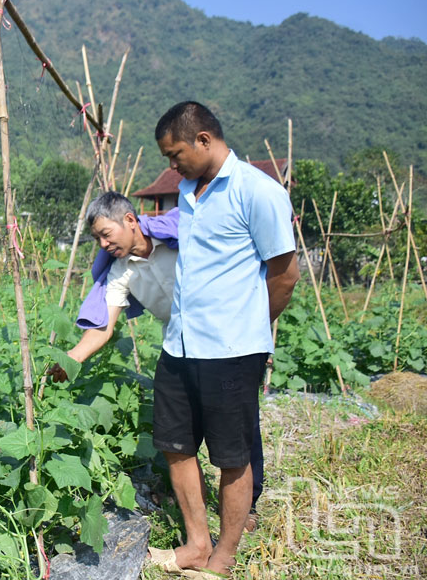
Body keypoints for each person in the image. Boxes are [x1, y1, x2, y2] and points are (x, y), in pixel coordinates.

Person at [48, 192, 267, 530]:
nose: (103, 243)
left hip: (225, 341)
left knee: (238, 428)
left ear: (130, 221)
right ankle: (193, 513)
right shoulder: (120, 271)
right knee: (178, 436)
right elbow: (103, 327)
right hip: (178, 344)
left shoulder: (180, 241)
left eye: (107, 233)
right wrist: (71, 359)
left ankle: (246, 506)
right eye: (97, 238)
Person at [147, 102, 299, 578]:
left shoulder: (258, 192)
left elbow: (285, 274)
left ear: (205, 140)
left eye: (176, 155)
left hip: (231, 349)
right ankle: (196, 543)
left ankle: (225, 555)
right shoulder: (189, 192)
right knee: (176, 445)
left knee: (231, 457)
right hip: (181, 344)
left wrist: (252, 326)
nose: (172, 166)